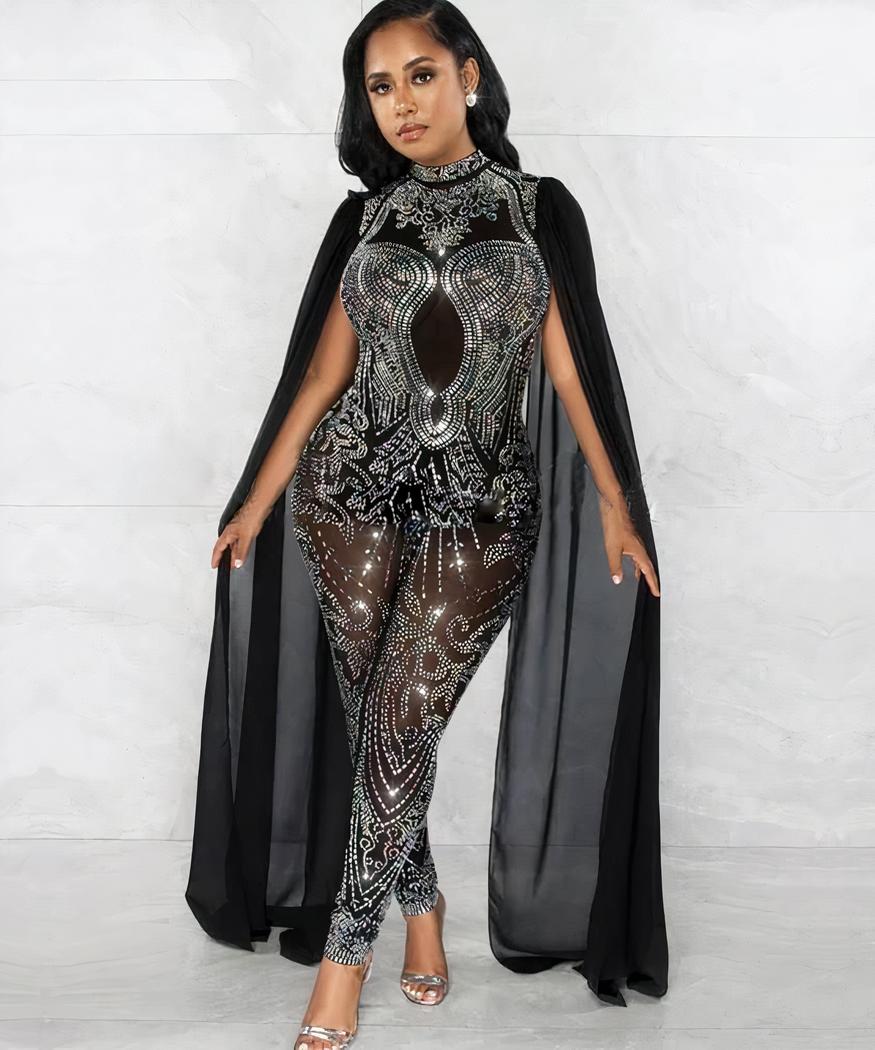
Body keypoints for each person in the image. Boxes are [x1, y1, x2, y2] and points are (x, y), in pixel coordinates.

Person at [184, 3, 668, 1048]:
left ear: (468, 77)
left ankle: (343, 963)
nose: (400, 102)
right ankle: (422, 907)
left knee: (401, 721)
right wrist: (256, 499)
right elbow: (324, 375)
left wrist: (617, 502)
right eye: (378, 86)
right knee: (381, 728)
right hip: (345, 498)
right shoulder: (364, 219)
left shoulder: (536, 210)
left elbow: (569, 370)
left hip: (482, 515)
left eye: (419, 75)